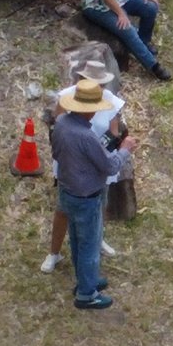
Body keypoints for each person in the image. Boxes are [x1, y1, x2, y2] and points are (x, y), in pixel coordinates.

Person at [50, 79, 140, 310]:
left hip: (67, 191)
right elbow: (110, 167)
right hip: (86, 197)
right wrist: (125, 149)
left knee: (77, 241)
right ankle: (87, 294)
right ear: (89, 109)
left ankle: (84, 280)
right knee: (90, 245)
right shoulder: (86, 136)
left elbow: (57, 153)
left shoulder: (60, 124)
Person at [40, 60, 126, 274]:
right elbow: (58, 127)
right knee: (62, 210)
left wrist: (97, 150)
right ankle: (54, 252)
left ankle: (98, 239)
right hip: (73, 165)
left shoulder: (112, 102)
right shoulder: (67, 97)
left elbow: (114, 133)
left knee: (100, 204)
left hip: (98, 164)